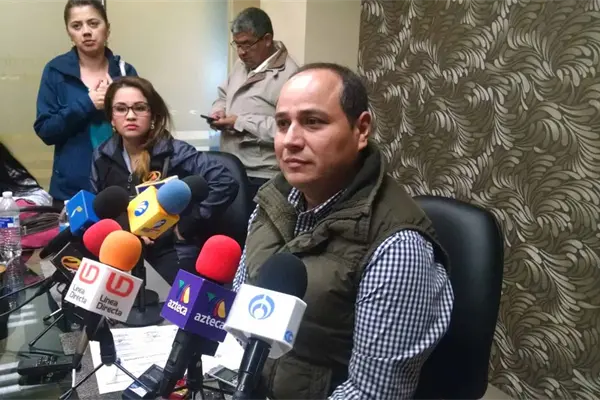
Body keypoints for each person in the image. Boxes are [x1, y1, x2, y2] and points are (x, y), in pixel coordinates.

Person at [232, 63, 454, 399]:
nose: (290, 141)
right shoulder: (272, 201)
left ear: (361, 129)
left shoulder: (398, 246)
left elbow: (373, 392)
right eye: (282, 124)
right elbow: (241, 312)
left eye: (313, 122)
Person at [91, 76, 239, 284]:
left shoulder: (175, 152)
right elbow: (100, 206)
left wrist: (187, 222)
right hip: (124, 249)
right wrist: (127, 228)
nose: (130, 116)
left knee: (172, 301)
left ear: (152, 115)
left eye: (139, 108)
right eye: (121, 109)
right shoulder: (101, 156)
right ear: (111, 118)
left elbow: (225, 181)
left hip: (172, 249)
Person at [34, 0, 137, 206]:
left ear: (107, 28)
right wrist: (88, 103)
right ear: (69, 33)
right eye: (77, 26)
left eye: (93, 23)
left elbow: (143, 127)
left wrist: (116, 104)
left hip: (120, 188)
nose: (86, 32)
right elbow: (45, 130)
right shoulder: (55, 71)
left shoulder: (124, 71)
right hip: (70, 192)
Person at [210, 7, 298, 209]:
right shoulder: (241, 65)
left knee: (256, 228)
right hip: (231, 165)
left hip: (263, 175)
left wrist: (240, 122)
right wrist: (218, 111)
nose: (241, 52)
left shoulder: (291, 76)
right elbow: (223, 95)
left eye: (247, 44)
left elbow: (289, 129)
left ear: (267, 39)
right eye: (237, 45)